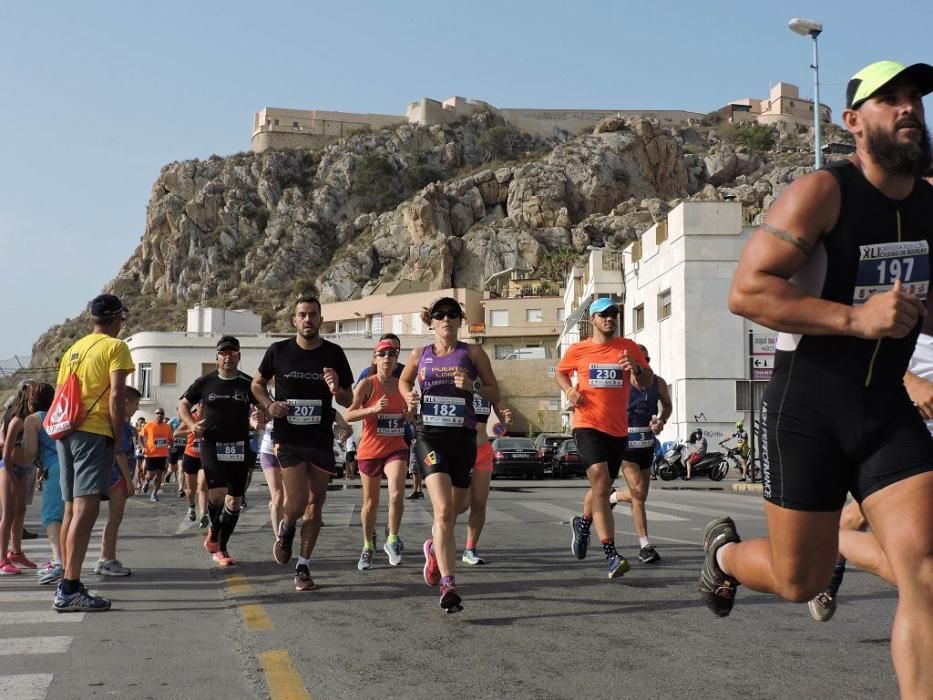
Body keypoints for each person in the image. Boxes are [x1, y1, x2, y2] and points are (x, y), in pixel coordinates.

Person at [700, 60, 933, 699]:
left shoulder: (930, 204)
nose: (909, 107)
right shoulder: (823, 192)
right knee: (798, 578)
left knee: (926, 574)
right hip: (807, 412)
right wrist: (856, 319)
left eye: (914, 97)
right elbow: (746, 291)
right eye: (891, 99)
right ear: (855, 122)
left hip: (885, 410)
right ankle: (723, 555)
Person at [399, 296, 501, 612]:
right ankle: (448, 584)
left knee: (460, 506)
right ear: (431, 322)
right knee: (443, 512)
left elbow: (495, 392)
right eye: (440, 315)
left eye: (452, 315)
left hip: (463, 440)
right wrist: (409, 397)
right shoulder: (420, 354)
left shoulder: (472, 353)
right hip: (430, 438)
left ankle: (433, 547)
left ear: (459, 321)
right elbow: (403, 381)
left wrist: (472, 386)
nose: (446, 320)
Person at [251, 296, 353, 591]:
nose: (307, 320)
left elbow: (348, 399)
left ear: (321, 319)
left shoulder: (334, 353)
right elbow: (256, 384)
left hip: (320, 440)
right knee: (295, 502)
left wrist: (336, 388)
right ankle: (286, 531)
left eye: (312, 315)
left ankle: (303, 566)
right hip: (289, 439)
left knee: (315, 504)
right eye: (302, 315)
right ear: (294, 320)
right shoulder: (278, 350)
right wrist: (269, 406)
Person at [556, 297, 652, 579]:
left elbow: (644, 382)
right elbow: (561, 373)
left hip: (617, 429)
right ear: (593, 320)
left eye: (614, 314)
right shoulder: (579, 349)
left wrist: (635, 367)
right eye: (604, 314)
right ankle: (611, 553)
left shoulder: (628, 348)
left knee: (603, 487)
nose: (610, 318)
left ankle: (583, 523)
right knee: (599, 480)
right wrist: (570, 392)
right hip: (587, 423)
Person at [53, 293, 135, 612]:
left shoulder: (74, 348)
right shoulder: (116, 347)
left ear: (92, 319)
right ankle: (70, 587)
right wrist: (117, 435)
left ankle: (66, 579)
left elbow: (62, 392)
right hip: (93, 429)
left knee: (71, 508)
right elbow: (116, 395)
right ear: (117, 318)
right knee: (86, 510)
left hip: (66, 429)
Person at [179, 335, 258, 567]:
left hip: (240, 445)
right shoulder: (204, 383)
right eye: (224, 353)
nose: (228, 357)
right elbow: (183, 404)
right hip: (212, 444)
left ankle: (221, 547)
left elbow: (265, 405)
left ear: (239, 356)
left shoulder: (248, 383)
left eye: (233, 352)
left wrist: (260, 416)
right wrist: (193, 426)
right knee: (217, 493)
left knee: (234, 501)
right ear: (217, 357)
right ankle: (214, 531)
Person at [345, 339, 413, 569]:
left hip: (396, 448)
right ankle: (367, 545)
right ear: (375, 358)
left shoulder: (402, 385)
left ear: (396, 360)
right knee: (370, 503)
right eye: (382, 354)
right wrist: (373, 409)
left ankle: (393, 539)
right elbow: (349, 415)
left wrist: (409, 414)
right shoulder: (367, 384)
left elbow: (411, 416)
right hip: (370, 450)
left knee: (396, 494)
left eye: (391, 354)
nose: (387, 358)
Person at [605, 343, 672, 564]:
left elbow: (667, 406)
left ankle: (612, 497)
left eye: (647, 361)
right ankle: (645, 546)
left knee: (640, 496)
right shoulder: (620, 384)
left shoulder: (657, 382)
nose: (643, 365)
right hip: (625, 444)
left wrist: (660, 421)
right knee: (638, 492)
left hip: (646, 444)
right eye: (639, 360)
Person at [13, 383, 66, 584]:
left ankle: (59, 562)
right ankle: (60, 560)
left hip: (54, 468)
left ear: (31, 400)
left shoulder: (33, 420)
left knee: (52, 517)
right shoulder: (59, 414)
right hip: (70, 466)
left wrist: (8, 455)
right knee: (66, 516)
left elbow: (30, 454)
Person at [458, 393, 511, 566]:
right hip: (461, 451)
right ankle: (438, 538)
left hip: (483, 451)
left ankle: (470, 549)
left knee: (479, 503)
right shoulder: (456, 381)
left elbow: (502, 410)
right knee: (460, 505)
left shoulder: (488, 388)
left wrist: (506, 418)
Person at [93, 386, 140, 576]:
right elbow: (120, 453)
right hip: (118, 477)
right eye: (136, 404)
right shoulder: (121, 425)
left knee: (114, 519)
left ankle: (107, 558)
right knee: (114, 519)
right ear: (126, 402)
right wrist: (129, 481)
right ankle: (107, 559)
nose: (137, 408)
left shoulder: (120, 424)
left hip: (115, 476)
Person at [0, 382, 39, 574]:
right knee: (7, 514)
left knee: (20, 511)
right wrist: (14, 480)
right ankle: (1, 559)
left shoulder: (29, 419)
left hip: (22, 470)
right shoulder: (16, 420)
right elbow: (5, 455)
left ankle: (16, 552)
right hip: (9, 469)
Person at [140, 408, 172, 502]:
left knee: (159, 475)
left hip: (162, 455)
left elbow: (170, 439)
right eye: (158, 413)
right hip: (151, 454)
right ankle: (146, 481)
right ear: (155, 414)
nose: (160, 415)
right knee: (150, 475)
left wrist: (171, 446)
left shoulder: (167, 427)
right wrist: (142, 447)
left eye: (162, 413)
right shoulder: (149, 425)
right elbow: (140, 436)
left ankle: (154, 494)